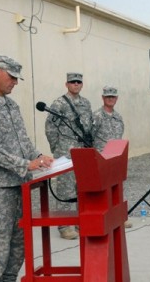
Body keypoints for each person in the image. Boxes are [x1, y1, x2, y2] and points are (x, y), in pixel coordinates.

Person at [0, 55, 53, 281]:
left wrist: (38, 156)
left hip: (19, 186)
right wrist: (25, 164)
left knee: (17, 249)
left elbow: (22, 141)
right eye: (11, 76)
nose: (15, 82)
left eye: (17, 78)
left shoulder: (11, 105)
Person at [45, 72, 93, 240]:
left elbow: (89, 127)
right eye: (72, 82)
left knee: (82, 188)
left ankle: (81, 221)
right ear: (66, 84)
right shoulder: (59, 104)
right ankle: (64, 226)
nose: (76, 84)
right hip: (65, 152)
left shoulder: (86, 103)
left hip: (82, 151)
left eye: (79, 82)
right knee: (65, 189)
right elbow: (50, 128)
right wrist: (57, 149)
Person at [91, 85, 132, 229]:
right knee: (103, 190)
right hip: (101, 158)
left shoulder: (118, 117)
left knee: (118, 189)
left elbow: (119, 137)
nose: (110, 99)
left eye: (113, 97)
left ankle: (119, 217)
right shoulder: (96, 116)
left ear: (117, 99)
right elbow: (90, 137)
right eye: (108, 97)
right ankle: (103, 218)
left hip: (116, 158)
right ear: (103, 98)